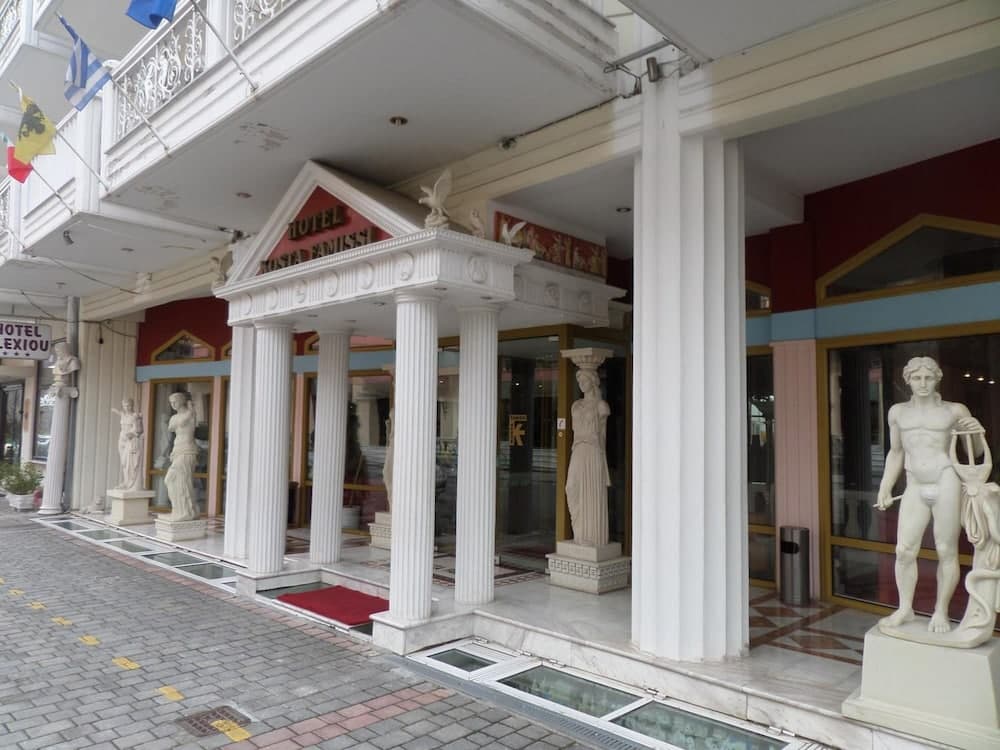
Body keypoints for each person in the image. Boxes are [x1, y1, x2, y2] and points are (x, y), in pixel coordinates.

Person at [876, 356, 982, 633]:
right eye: (916, 378)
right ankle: (905, 608)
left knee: (946, 550)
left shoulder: (954, 410)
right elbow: (896, 452)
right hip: (914, 483)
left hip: (946, 479)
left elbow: (975, 452)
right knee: (904, 551)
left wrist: (972, 432)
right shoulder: (897, 413)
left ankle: (941, 611)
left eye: (928, 378)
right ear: (907, 380)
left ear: (937, 379)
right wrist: (885, 486)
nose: (922, 383)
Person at [565, 367, 611, 546]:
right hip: (578, 449)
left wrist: (602, 460)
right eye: (579, 381)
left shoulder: (601, 406)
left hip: (593, 451)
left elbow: (603, 436)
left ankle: (591, 536)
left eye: (584, 380)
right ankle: (578, 531)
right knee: (571, 487)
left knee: (591, 492)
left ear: (593, 381)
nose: (581, 384)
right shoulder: (575, 406)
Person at [163, 392, 199, 522]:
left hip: (187, 450)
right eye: (171, 402)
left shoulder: (190, 414)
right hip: (177, 450)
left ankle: (186, 512)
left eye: (175, 401)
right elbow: (172, 427)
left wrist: (190, 409)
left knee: (182, 481)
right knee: (171, 480)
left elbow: (183, 422)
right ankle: (179, 509)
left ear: (182, 401)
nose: (173, 404)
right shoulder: (175, 417)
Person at [111, 398, 144, 491]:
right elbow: (119, 413)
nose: (127, 407)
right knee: (124, 462)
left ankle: (131, 482)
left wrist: (132, 433)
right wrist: (114, 410)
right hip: (122, 440)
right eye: (125, 406)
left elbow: (139, 430)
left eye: (128, 405)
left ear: (132, 405)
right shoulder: (123, 415)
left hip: (130, 440)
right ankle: (126, 481)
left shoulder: (135, 416)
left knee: (130, 462)